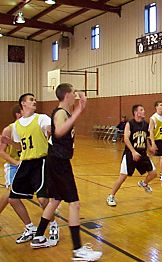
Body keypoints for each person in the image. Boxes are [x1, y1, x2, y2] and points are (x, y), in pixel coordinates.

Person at [30, 83, 102, 260]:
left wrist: (78, 109)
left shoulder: (63, 113)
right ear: (67, 95)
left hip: (56, 160)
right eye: (74, 94)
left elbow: (54, 131)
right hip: (59, 162)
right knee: (74, 203)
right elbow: (60, 131)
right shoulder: (61, 112)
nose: (75, 97)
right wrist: (80, 109)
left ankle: (39, 236)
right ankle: (78, 250)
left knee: (54, 200)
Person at [6, 93, 59, 244]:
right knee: (13, 199)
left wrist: (50, 131)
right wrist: (8, 142)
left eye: (35, 99)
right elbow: (20, 145)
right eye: (31, 99)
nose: (34, 101)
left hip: (41, 161)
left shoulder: (41, 118)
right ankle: (30, 228)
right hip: (25, 162)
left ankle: (54, 225)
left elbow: (48, 128)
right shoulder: (16, 125)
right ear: (23, 103)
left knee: (42, 199)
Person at [107, 104, 157, 206]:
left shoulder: (145, 124)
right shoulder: (129, 124)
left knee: (153, 173)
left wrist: (150, 147)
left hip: (142, 154)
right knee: (123, 176)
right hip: (130, 154)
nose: (144, 111)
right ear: (136, 113)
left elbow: (145, 138)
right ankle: (111, 196)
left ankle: (144, 183)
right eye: (141, 110)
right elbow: (126, 139)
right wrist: (133, 151)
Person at [0, 105, 22, 215]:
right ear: (18, 114)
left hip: (28, 164)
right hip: (14, 165)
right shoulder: (9, 129)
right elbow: (1, 151)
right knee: (11, 193)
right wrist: (16, 162)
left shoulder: (31, 127)